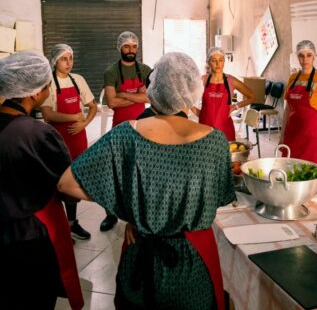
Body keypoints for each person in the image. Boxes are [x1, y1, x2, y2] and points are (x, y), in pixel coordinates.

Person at [58, 52, 235, 310]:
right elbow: (218, 196)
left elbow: (66, 184)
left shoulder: (125, 135)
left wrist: (129, 208)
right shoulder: (215, 141)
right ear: (192, 91)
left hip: (141, 250)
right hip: (195, 256)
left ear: (154, 89)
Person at [0, 51, 83, 310]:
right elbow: (67, 189)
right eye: (47, 85)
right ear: (35, 93)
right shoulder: (37, 134)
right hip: (29, 238)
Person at [41, 44, 96, 240]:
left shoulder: (78, 80)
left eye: (71, 58)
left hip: (78, 139)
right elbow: (48, 115)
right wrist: (74, 117)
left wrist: (84, 124)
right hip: (58, 141)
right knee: (58, 182)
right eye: (64, 59)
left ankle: (72, 224)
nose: (68, 63)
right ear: (55, 61)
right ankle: (58, 226)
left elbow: (92, 106)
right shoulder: (48, 82)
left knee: (74, 181)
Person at [100, 31, 152, 231]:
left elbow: (150, 98)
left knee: (139, 172)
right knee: (114, 172)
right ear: (119, 48)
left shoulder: (145, 70)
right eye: (127, 46)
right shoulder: (111, 71)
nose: (131, 50)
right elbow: (112, 103)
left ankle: (138, 212)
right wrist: (136, 95)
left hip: (141, 127)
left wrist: (123, 93)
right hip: (120, 127)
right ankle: (111, 214)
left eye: (134, 46)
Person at [281, 40, 317, 175]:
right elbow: (287, 109)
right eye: (301, 55)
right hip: (293, 133)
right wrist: (282, 135)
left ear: (314, 56)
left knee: (312, 176)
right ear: (297, 57)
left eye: (309, 55)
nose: (305, 59)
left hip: (313, 138)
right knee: (291, 173)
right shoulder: (293, 78)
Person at [192, 47, 255, 141]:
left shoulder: (231, 81)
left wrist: (235, 106)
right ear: (209, 62)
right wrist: (198, 112)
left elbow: (252, 96)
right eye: (214, 60)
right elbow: (185, 96)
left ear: (224, 62)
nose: (218, 64)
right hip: (205, 129)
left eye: (221, 60)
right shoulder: (202, 80)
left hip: (225, 130)